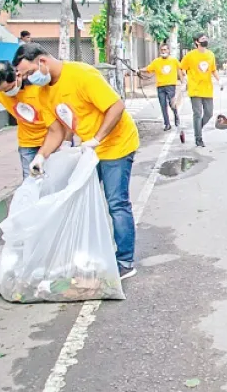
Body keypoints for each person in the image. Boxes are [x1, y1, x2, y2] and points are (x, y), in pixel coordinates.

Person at [13, 43, 141, 280]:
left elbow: (116, 106)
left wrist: (97, 138)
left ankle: (124, 260)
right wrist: (41, 156)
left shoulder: (81, 74)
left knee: (116, 202)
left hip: (116, 144)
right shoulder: (44, 93)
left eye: (30, 73)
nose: (30, 80)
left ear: (42, 61)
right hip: (89, 151)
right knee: (80, 198)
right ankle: (91, 252)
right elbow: (56, 131)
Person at [0, 60, 54, 178]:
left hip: (52, 139)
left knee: (55, 181)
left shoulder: (38, 85)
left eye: (9, 88)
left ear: (18, 75)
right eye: (2, 90)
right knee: (30, 182)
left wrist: (65, 140)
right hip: (28, 142)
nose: (7, 93)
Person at [180, 32, 222, 147]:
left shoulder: (211, 55)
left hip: (207, 89)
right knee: (197, 114)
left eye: (205, 38)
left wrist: (219, 81)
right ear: (196, 42)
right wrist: (185, 79)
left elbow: (213, 70)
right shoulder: (190, 55)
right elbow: (182, 68)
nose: (205, 40)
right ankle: (198, 138)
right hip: (195, 89)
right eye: (202, 38)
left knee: (209, 113)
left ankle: (198, 128)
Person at [142, 44, 183, 131]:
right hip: (160, 86)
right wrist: (139, 70)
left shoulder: (173, 60)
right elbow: (148, 68)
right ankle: (167, 124)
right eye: (162, 50)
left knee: (172, 104)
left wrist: (182, 80)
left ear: (168, 50)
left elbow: (180, 69)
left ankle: (176, 116)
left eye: (165, 49)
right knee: (163, 105)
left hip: (170, 85)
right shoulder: (156, 61)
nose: (163, 51)